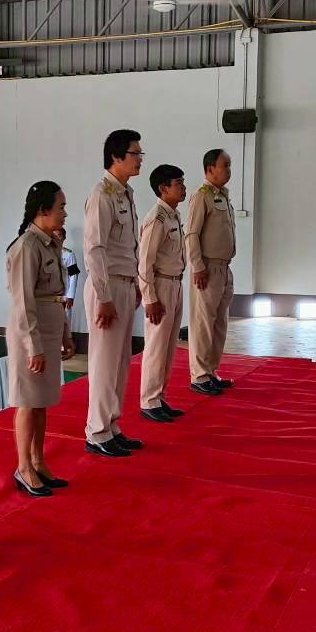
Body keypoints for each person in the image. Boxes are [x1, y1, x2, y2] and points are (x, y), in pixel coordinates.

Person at [5, 181, 76, 497]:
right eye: (61, 207)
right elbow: (24, 303)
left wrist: (65, 334)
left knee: (42, 401)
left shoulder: (50, 244)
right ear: (43, 210)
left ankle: (38, 461)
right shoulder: (27, 247)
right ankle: (23, 467)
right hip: (28, 335)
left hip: (49, 329)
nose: (64, 213)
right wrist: (33, 347)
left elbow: (56, 295)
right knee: (27, 401)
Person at [82, 128, 144, 457]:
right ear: (116, 157)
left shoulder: (125, 193)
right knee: (104, 362)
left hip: (124, 282)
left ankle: (111, 424)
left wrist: (135, 283)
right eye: (135, 153)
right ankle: (96, 431)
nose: (140, 159)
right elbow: (94, 249)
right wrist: (104, 297)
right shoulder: (102, 194)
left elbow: (129, 246)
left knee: (120, 361)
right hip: (106, 286)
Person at [138, 164, 188, 423]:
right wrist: (150, 298)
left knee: (168, 346)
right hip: (161, 285)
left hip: (175, 283)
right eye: (178, 183)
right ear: (163, 188)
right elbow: (145, 261)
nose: (184, 188)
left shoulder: (173, 215)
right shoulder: (156, 218)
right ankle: (148, 400)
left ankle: (159, 396)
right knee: (156, 345)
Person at [185, 148, 237, 396]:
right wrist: (198, 266)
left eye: (229, 165)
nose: (229, 170)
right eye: (224, 165)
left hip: (224, 267)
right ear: (209, 169)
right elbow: (191, 234)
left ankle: (211, 371)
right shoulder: (201, 196)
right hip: (207, 268)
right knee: (203, 323)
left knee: (219, 323)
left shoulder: (223, 196)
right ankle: (199, 375)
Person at [54, 226, 79, 321]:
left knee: (65, 322)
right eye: (53, 236)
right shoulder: (46, 254)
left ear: (64, 238)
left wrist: (71, 296)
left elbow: (74, 276)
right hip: (48, 297)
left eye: (59, 235)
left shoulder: (69, 255)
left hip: (64, 296)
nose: (56, 238)